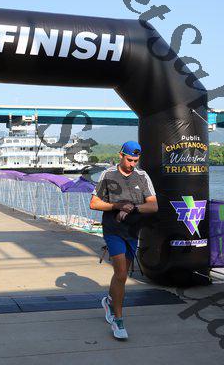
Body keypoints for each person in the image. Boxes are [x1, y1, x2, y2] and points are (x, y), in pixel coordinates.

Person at [89, 141, 158, 340]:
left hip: (132, 232)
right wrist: (117, 206)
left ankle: (109, 301)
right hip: (113, 231)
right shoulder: (108, 175)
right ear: (121, 155)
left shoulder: (142, 176)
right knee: (120, 272)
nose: (132, 164)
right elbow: (94, 203)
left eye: (136, 161)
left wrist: (133, 208)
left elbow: (153, 206)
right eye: (129, 160)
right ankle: (118, 320)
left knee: (122, 276)